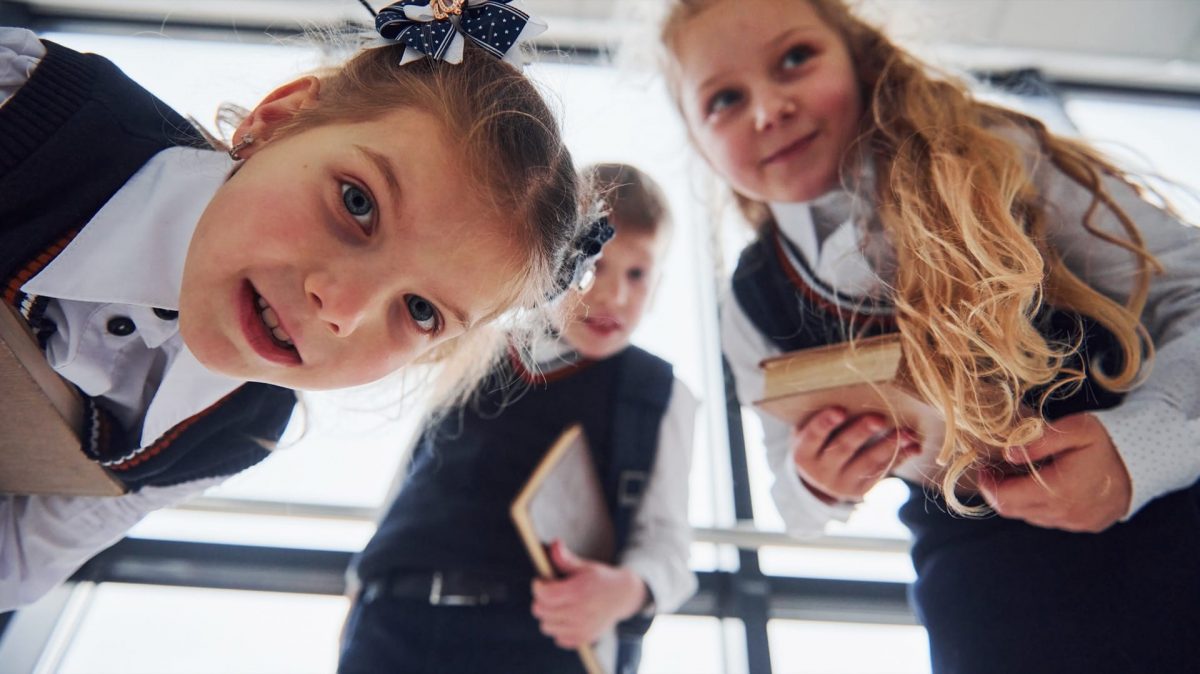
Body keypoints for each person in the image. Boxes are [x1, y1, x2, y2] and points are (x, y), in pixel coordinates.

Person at [659, 0, 1200, 671]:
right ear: (698, 142)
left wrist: (1137, 451)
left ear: (858, 55)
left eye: (795, 59)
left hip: (1167, 537)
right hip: (981, 596)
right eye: (724, 100)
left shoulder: (997, 160)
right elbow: (789, 495)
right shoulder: (751, 300)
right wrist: (818, 480)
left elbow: (1191, 293)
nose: (769, 110)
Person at [0, 0, 587, 612]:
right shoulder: (26, 102)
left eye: (419, 310)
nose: (343, 308)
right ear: (277, 119)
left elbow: (18, 560)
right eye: (358, 203)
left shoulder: (231, 433)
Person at [338, 163, 697, 674]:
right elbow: (412, 479)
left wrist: (624, 592)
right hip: (393, 625)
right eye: (593, 265)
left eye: (636, 274)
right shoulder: (475, 345)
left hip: (537, 643)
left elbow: (666, 543)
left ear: (659, 284)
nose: (611, 294)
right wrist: (359, 593)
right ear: (553, 261)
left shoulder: (658, 393)